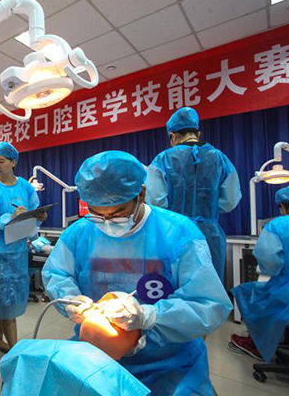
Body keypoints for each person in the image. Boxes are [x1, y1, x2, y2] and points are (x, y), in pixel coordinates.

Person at [42, 151, 232, 395]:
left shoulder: (179, 233)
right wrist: (71, 300)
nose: (107, 223)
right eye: (97, 214)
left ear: (141, 194)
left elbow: (208, 303)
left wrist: (148, 317)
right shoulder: (79, 232)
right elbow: (57, 274)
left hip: (169, 362)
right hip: (98, 357)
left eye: (117, 214)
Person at [146, 107, 241, 282]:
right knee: (209, 287)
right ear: (198, 133)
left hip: (174, 234)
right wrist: (207, 210)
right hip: (209, 235)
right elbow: (230, 201)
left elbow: (155, 202)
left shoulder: (163, 159)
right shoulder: (220, 158)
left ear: (173, 136)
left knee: (175, 285)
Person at [230, 185, 289, 362]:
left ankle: (258, 344)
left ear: (282, 206)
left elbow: (270, 266)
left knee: (248, 292)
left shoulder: (278, 225)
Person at [0, 141, 47, 352]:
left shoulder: (25, 187)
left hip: (18, 252)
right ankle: (15, 350)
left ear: (13, 162)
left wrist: (39, 217)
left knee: (11, 298)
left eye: (1, 161)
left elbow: (34, 212)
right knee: (5, 298)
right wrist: (10, 217)